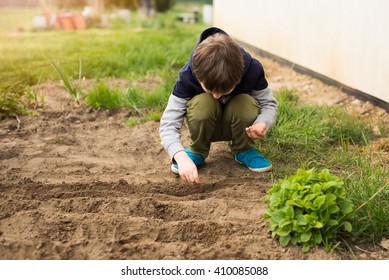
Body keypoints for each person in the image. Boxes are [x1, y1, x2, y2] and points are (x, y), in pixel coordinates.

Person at [159, 27, 278, 184]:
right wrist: (180, 157)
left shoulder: (252, 69)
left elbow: (269, 104)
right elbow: (168, 123)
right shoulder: (188, 75)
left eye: (225, 90)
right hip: (205, 123)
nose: (216, 96)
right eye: (209, 89)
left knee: (245, 102)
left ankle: (243, 149)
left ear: (239, 76)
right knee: (203, 102)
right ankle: (197, 151)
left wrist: (263, 122)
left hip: (239, 126)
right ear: (197, 74)